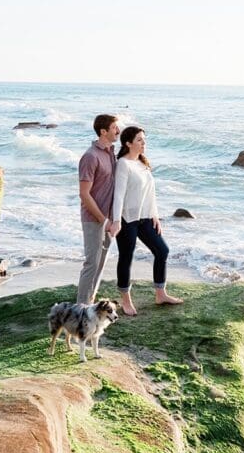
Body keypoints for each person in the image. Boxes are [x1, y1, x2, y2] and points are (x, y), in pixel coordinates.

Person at [108, 126, 183, 316]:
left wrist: (155, 215)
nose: (143, 143)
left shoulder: (142, 163)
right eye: (139, 140)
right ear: (128, 143)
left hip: (145, 218)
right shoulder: (123, 164)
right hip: (127, 219)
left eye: (144, 139)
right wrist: (116, 220)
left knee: (162, 250)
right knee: (127, 257)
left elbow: (150, 194)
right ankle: (125, 301)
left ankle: (160, 294)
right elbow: (118, 195)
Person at [76, 114, 120, 304]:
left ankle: (90, 301)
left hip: (108, 218)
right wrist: (104, 220)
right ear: (103, 131)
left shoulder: (111, 153)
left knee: (101, 262)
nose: (118, 131)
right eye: (114, 128)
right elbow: (84, 194)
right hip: (94, 218)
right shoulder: (90, 156)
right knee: (91, 263)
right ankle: (81, 308)